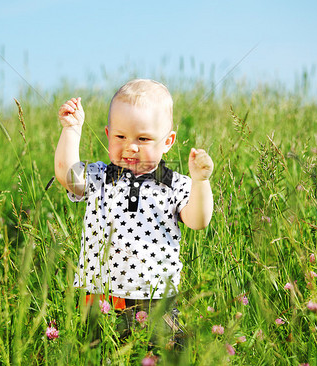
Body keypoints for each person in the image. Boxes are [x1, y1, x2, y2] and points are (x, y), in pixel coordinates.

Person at [54, 79, 214, 348]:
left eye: (143, 138)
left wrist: (200, 181)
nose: (130, 146)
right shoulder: (99, 177)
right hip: (99, 298)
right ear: (108, 135)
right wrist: (72, 130)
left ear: (168, 142)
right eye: (120, 137)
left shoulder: (175, 185)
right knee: (97, 355)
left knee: (164, 354)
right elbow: (67, 176)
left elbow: (198, 221)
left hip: (154, 302)